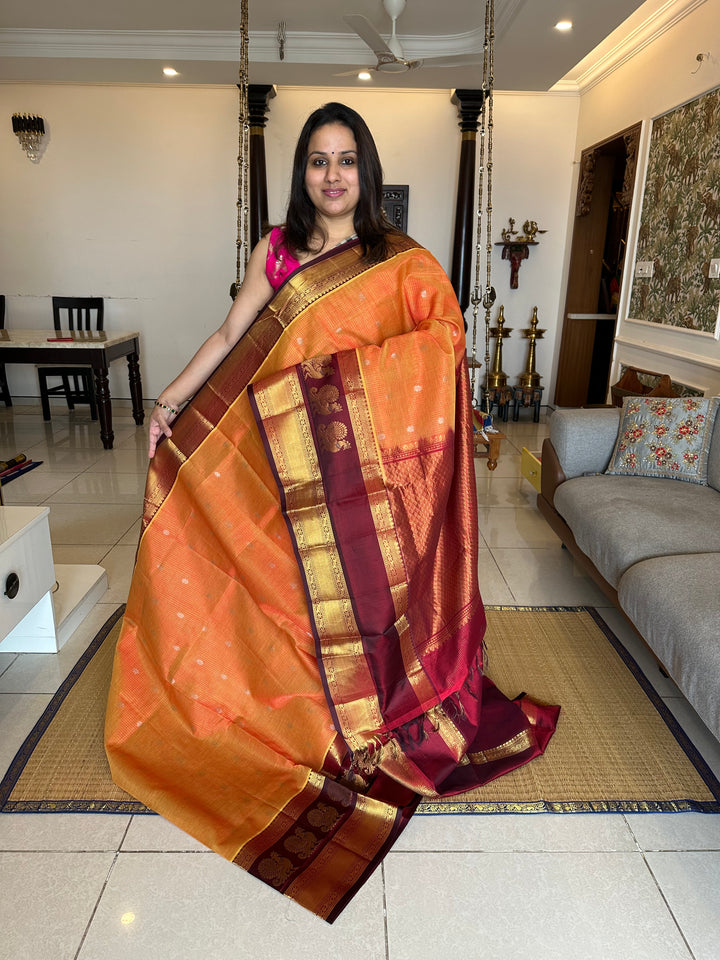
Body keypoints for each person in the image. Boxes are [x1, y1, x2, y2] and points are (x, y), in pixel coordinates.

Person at [105, 102, 558, 923]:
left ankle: (352, 714)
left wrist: (337, 393)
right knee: (284, 591)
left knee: (351, 595)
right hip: (276, 457)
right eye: (318, 159)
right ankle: (297, 720)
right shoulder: (276, 252)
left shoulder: (397, 259)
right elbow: (234, 331)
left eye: (347, 160)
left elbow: (443, 343)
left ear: (367, 169)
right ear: (302, 171)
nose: (333, 175)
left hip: (351, 464)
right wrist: (170, 402)